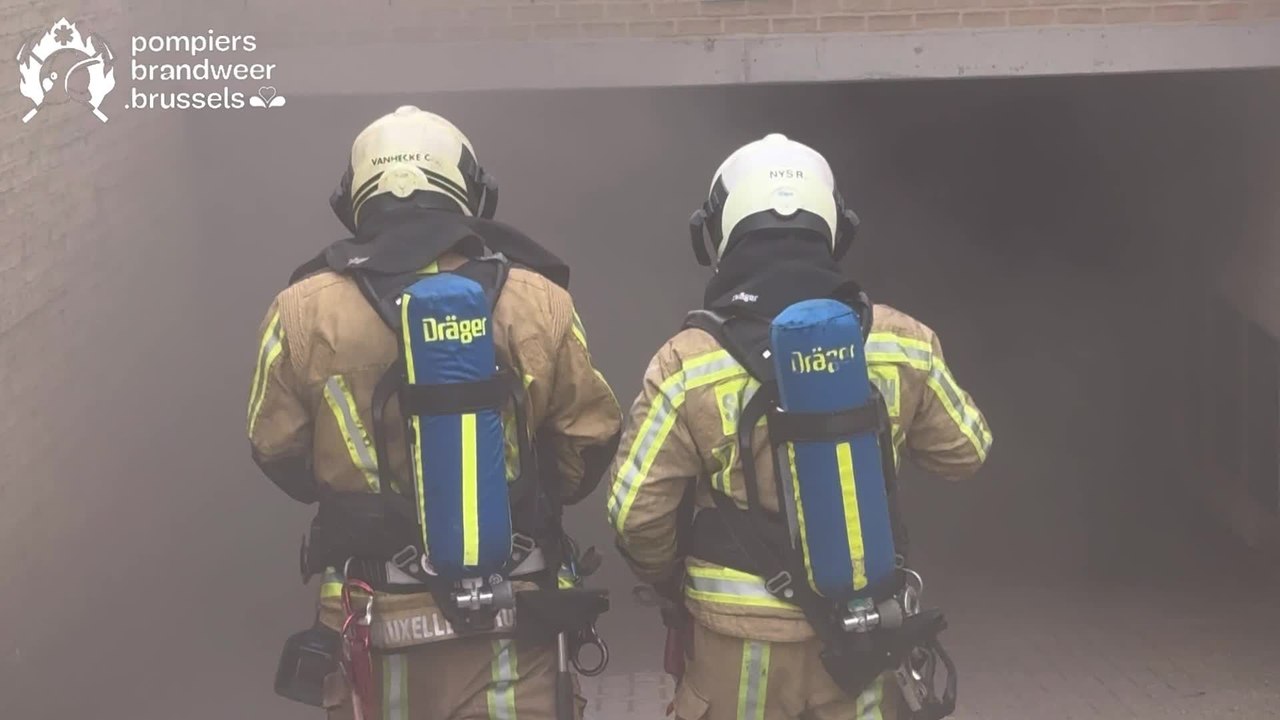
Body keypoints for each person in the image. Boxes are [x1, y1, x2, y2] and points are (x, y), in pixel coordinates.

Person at [248, 105, 622, 720]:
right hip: (517, 606)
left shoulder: (298, 310)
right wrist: (521, 501)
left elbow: (275, 448)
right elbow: (587, 441)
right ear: (471, 193)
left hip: (371, 611)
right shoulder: (538, 300)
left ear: (355, 198)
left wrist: (359, 501)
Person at [607, 133, 992, 720]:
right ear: (835, 225)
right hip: (862, 637)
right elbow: (966, 451)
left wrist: (667, 579)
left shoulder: (688, 360)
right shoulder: (900, 341)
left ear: (721, 231)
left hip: (733, 644)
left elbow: (637, 513)